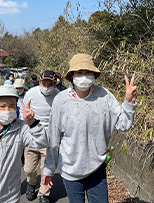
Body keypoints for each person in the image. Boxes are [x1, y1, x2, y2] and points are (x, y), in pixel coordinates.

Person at [42, 53, 137, 203]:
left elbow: (123, 124)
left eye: (87, 72)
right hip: (70, 170)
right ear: (72, 75)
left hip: (96, 168)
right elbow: (53, 137)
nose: (83, 76)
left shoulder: (104, 96)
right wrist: (49, 169)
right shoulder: (61, 100)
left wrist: (129, 102)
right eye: (79, 72)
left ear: (94, 75)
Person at [20, 70, 59, 203]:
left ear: (55, 84)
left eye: (50, 84)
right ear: (40, 82)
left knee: (46, 169)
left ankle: (44, 194)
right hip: (31, 138)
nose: (47, 87)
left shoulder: (58, 95)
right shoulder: (31, 93)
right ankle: (31, 184)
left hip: (49, 139)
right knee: (29, 169)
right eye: (44, 84)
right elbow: (23, 113)